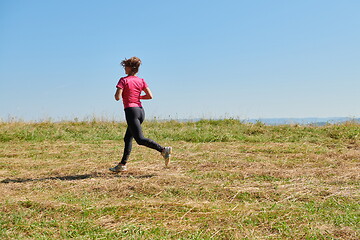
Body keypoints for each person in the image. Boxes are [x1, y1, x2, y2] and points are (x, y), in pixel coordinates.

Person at [110, 57, 172, 172]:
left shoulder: (123, 80)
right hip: (140, 111)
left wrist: (121, 93)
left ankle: (163, 150)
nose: (124, 68)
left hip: (131, 111)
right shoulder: (141, 80)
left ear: (129, 68)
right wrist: (138, 96)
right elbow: (150, 96)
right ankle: (122, 164)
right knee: (128, 137)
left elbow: (117, 97)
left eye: (125, 66)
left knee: (140, 139)